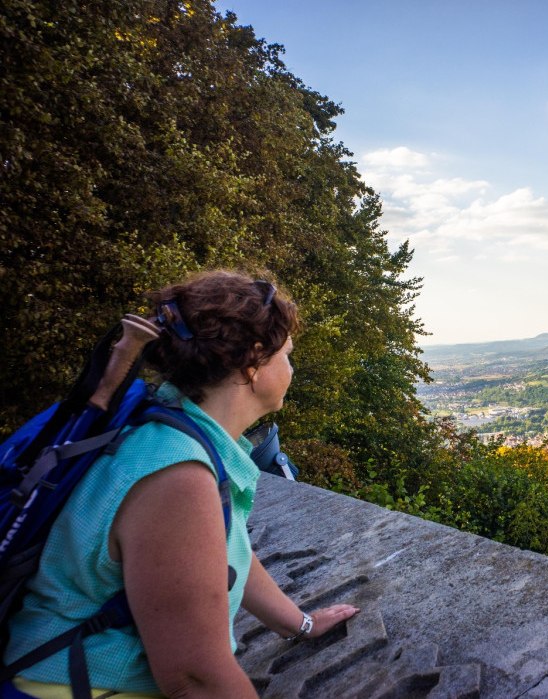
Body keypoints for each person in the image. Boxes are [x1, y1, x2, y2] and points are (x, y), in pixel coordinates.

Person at [3, 270, 358, 698]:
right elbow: (193, 677)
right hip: (78, 684)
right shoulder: (177, 475)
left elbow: (223, 555)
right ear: (253, 365)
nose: (291, 367)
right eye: (287, 354)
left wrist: (299, 623)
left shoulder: (169, 424)